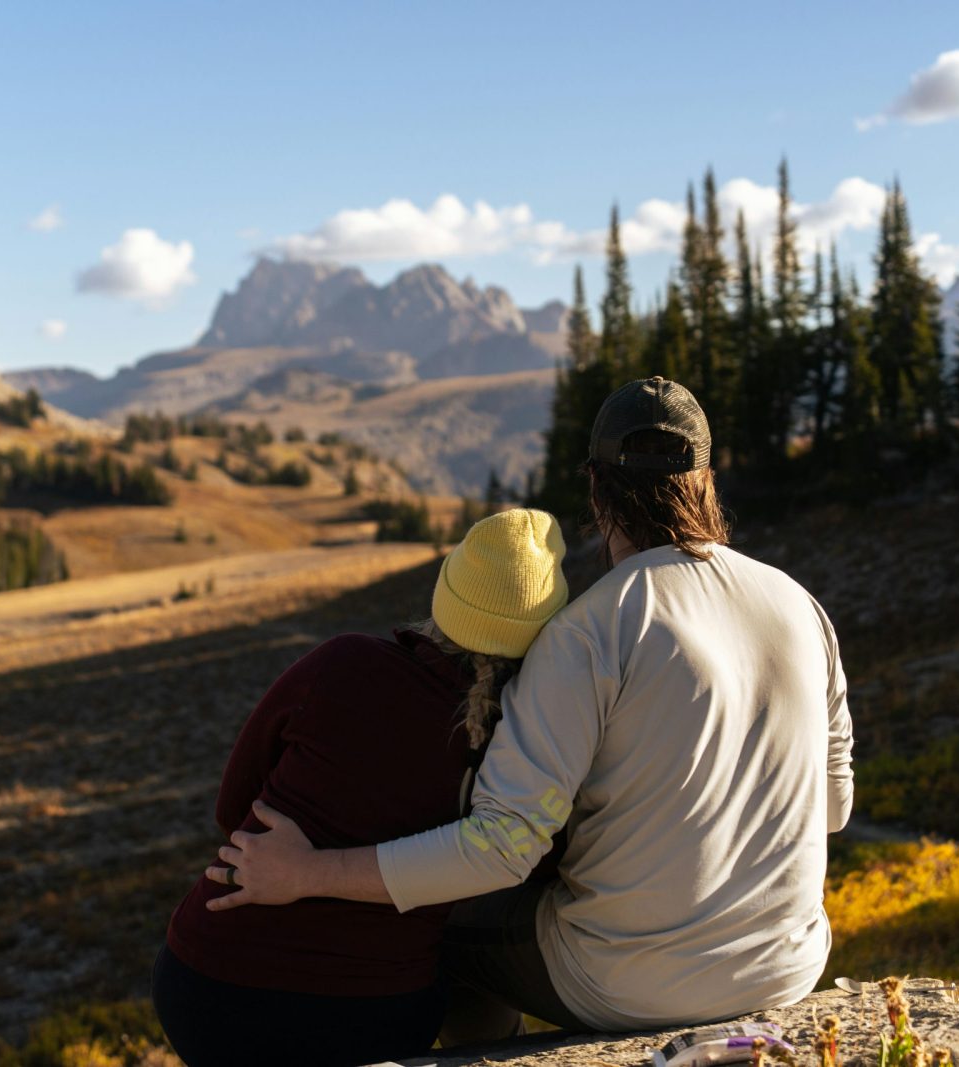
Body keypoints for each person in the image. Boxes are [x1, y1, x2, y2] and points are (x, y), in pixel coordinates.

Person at [208, 377, 855, 1043]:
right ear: (706, 480)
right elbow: (834, 807)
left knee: (447, 926)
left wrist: (308, 871)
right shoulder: (800, 605)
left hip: (625, 983)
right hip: (788, 964)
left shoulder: (590, 631)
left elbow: (498, 848)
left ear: (596, 491)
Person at [153, 507, 569, 1066]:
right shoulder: (527, 742)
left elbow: (234, 808)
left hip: (205, 988)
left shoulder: (341, 663)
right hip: (370, 1016)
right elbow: (533, 867)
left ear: (444, 597)